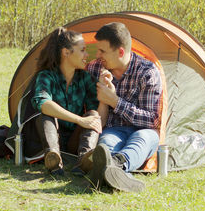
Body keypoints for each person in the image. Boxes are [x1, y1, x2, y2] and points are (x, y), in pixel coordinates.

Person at [86, 22, 162, 192]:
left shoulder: (147, 72)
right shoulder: (95, 68)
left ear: (120, 52)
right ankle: (118, 175)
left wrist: (115, 101)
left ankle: (115, 167)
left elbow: (152, 120)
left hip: (144, 130)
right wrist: (104, 98)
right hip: (114, 129)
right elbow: (100, 120)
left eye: (102, 51)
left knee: (142, 140)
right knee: (105, 143)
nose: (97, 55)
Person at [31, 27, 103, 175]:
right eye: (82, 50)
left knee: (92, 115)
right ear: (66, 52)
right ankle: (54, 159)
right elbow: (43, 104)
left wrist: (104, 87)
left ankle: (84, 161)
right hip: (50, 137)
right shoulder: (46, 76)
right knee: (45, 115)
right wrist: (79, 120)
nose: (87, 54)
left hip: (74, 141)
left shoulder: (85, 78)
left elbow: (94, 109)